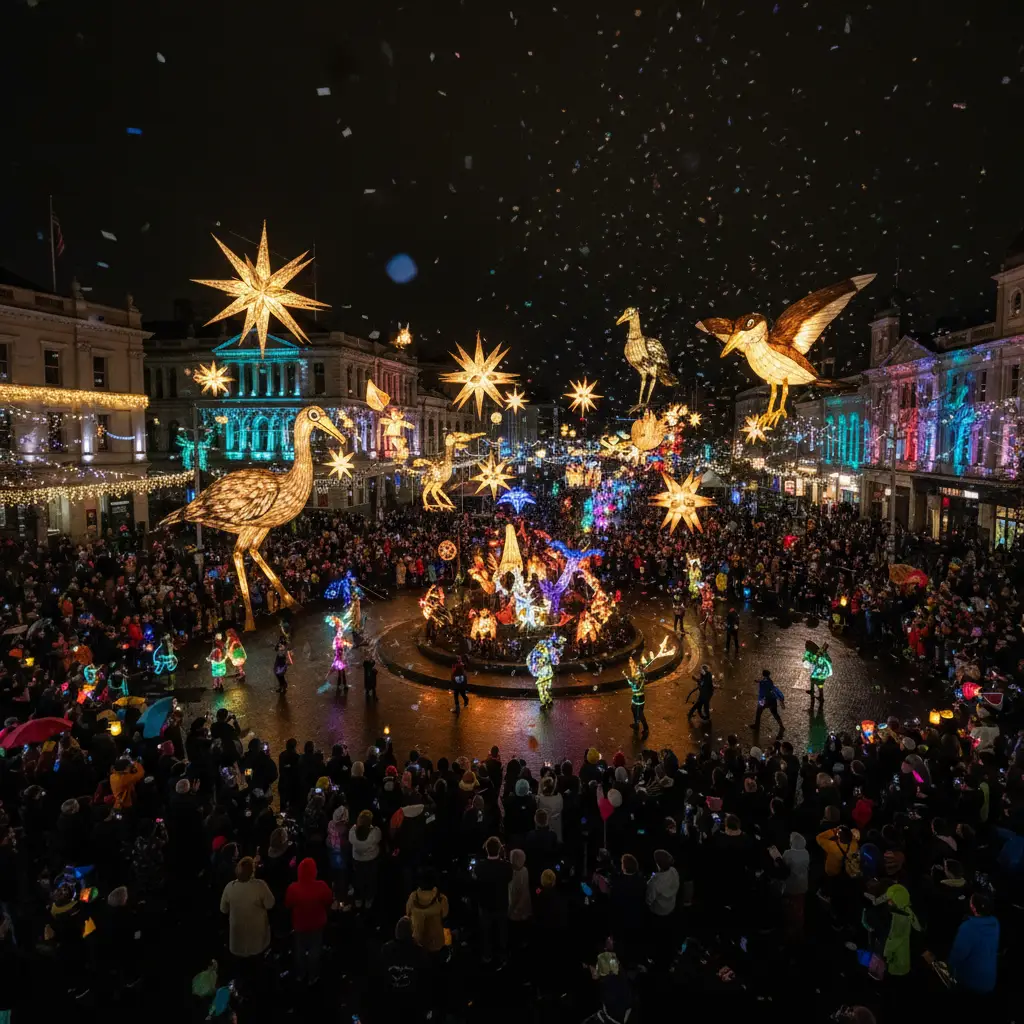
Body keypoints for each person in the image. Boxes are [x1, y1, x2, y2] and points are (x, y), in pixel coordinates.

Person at [285, 857, 335, 985]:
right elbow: (329, 900)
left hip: (300, 925)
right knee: (315, 950)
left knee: (299, 950)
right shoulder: (321, 886)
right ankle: (313, 976)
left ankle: (300, 975)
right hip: (317, 924)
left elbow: (288, 904)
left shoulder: (293, 888)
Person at [219, 856, 275, 960]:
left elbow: (223, 909)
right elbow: (270, 904)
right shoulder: (260, 885)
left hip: (237, 943)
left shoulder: (229, 887)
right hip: (257, 941)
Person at [946, 891, 999, 994]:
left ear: (973, 907)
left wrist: (950, 970)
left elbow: (957, 957)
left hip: (970, 983)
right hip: (989, 979)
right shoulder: (995, 922)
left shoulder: (968, 927)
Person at [475, 836, 513, 963]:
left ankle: (487, 955)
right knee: (502, 931)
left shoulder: (480, 867)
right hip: (501, 903)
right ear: (500, 849)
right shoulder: (506, 867)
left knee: (486, 932)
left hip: (485, 904)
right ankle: (502, 956)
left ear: (486, 849)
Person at [405, 869, 450, 954]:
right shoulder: (441, 898)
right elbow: (445, 915)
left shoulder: (413, 897)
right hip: (435, 941)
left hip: (417, 941)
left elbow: (407, 913)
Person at [350, 809, 382, 910]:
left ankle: (358, 900)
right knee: (370, 880)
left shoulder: (352, 833)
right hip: (371, 860)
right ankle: (369, 900)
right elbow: (379, 838)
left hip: (357, 860)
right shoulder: (375, 833)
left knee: (358, 879)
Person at [645, 848, 679, 917]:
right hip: (671, 905)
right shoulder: (674, 870)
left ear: (657, 864)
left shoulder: (654, 882)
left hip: (659, 911)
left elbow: (649, 900)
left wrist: (650, 881)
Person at [750, 668, 785, 733]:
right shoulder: (770, 681)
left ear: (763, 674)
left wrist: (758, 682)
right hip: (772, 700)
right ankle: (781, 726)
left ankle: (756, 725)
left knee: (758, 712)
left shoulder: (763, 682)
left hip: (764, 700)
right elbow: (774, 689)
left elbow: (763, 686)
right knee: (775, 713)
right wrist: (781, 699)